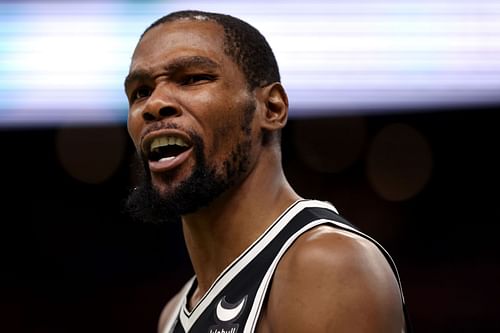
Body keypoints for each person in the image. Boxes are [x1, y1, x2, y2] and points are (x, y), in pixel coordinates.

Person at [123, 9, 412, 333]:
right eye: (140, 92)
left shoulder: (326, 265)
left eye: (192, 79)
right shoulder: (174, 313)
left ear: (271, 108)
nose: (153, 104)